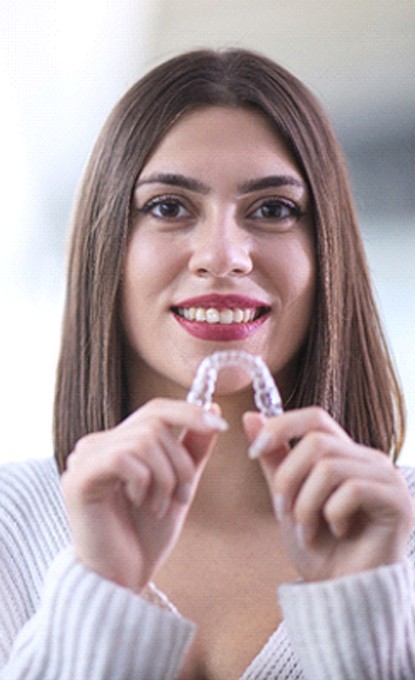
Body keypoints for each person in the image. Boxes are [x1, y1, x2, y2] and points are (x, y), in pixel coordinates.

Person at [0, 47, 414, 680]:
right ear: (107, 246)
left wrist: (361, 628)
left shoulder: (398, 531)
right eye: (169, 207)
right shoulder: (10, 523)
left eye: (272, 210)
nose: (223, 255)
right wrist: (102, 592)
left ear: (328, 253)